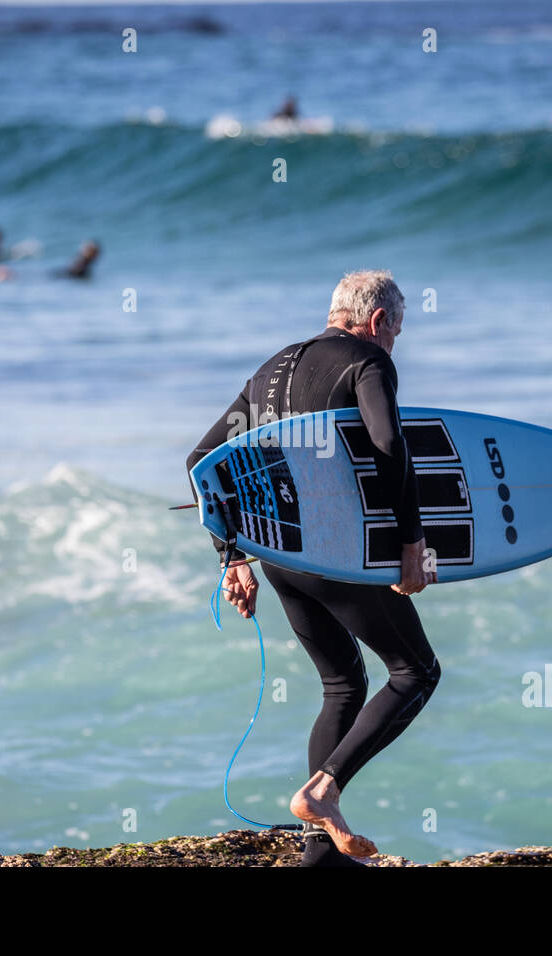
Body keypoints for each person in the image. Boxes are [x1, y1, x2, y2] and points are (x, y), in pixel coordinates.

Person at [186, 270, 440, 867]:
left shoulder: (272, 369)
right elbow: (387, 446)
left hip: (282, 558)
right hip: (334, 553)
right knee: (415, 670)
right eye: (397, 331)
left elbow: (204, 460)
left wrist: (234, 555)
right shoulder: (367, 362)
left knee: (344, 684)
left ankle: (320, 858)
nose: (396, 344)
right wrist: (410, 542)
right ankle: (321, 790)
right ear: (378, 322)